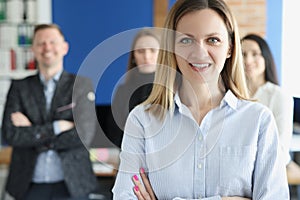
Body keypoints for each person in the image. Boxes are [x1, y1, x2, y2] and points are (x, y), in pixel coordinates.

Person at [112, 0, 289, 199]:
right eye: (186, 40)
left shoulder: (258, 121)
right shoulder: (142, 120)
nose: (199, 52)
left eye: (212, 40)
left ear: (230, 48)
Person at [1, 24, 99, 200]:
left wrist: (33, 130)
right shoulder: (19, 87)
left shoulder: (81, 85)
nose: (47, 48)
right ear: (33, 49)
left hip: (72, 185)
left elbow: (84, 134)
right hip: (27, 186)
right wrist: (57, 127)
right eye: (41, 43)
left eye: (52, 42)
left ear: (64, 47)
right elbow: (10, 134)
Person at [241, 33, 300, 183]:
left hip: (269, 168)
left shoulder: (279, 96)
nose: (248, 60)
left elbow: (281, 147)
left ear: (265, 58)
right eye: (242, 54)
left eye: (255, 54)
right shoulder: (232, 94)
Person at [106, 28, 160, 147]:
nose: (147, 56)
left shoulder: (175, 89)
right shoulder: (123, 91)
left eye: (152, 50)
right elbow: (114, 132)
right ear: (133, 56)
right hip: (130, 158)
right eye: (140, 51)